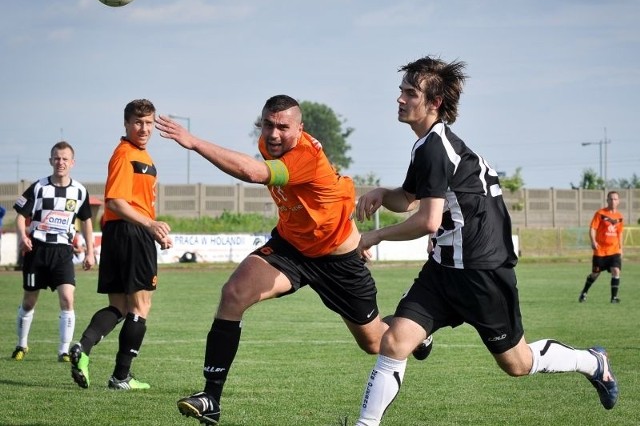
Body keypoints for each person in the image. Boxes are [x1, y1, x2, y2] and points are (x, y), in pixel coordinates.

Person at [352, 56, 619, 425]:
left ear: (434, 103)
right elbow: (410, 198)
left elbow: (428, 220)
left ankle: (593, 361)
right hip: (446, 269)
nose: (400, 99)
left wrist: (375, 236)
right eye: (400, 91)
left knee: (518, 363)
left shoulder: (435, 147)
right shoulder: (428, 145)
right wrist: (382, 192)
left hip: (483, 272)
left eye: (409, 93)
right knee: (394, 341)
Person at [155, 94, 432, 425]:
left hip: (337, 261)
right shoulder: (270, 143)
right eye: (268, 125)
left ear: (300, 128)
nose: (274, 134)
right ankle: (211, 398)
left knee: (374, 343)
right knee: (233, 294)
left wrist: (194, 142)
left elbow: (254, 173)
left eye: (283, 127)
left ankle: (417, 331)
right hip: (291, 248)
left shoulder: (306, 156)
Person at [70, 98, 173, 390]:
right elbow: (116, 200)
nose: (144, 128)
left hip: (122, 233)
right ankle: (121, 376)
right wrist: (149, 225)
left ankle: (83, 348)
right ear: (126, 124)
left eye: (149, 123)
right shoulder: (125, 155)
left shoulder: (141, 155)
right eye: (138, 122)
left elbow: (137, 204)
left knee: (118, 306)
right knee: (141, 304)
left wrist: (154, 229)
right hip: (131, 233)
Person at [12, 141, 95, 362]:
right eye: (57, 158)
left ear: (72, 162)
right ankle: (21, 345)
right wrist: (23, 237)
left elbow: (86, 221)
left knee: (68, 299)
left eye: (65, 159)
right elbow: (20, 216)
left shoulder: (79, 191)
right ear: (51, 161)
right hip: (37, 251)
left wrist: (90, 252)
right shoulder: (38, 187)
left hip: (63, 253)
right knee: (29, 302)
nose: (60, 162)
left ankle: (64, 350)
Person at [579, 191, 623, 303]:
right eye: (611, 199)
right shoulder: (600, 213)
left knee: (616, 271)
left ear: (618, 201)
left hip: (614, 250)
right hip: (600, 251)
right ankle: (584, 292)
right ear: (607, 200)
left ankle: (614, 298)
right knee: (595, 274)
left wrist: (621, 248)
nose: (613, 201)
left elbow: (620, 233)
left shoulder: (619, 217)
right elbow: (593, 228)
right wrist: (593, 241)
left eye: (615, 199)